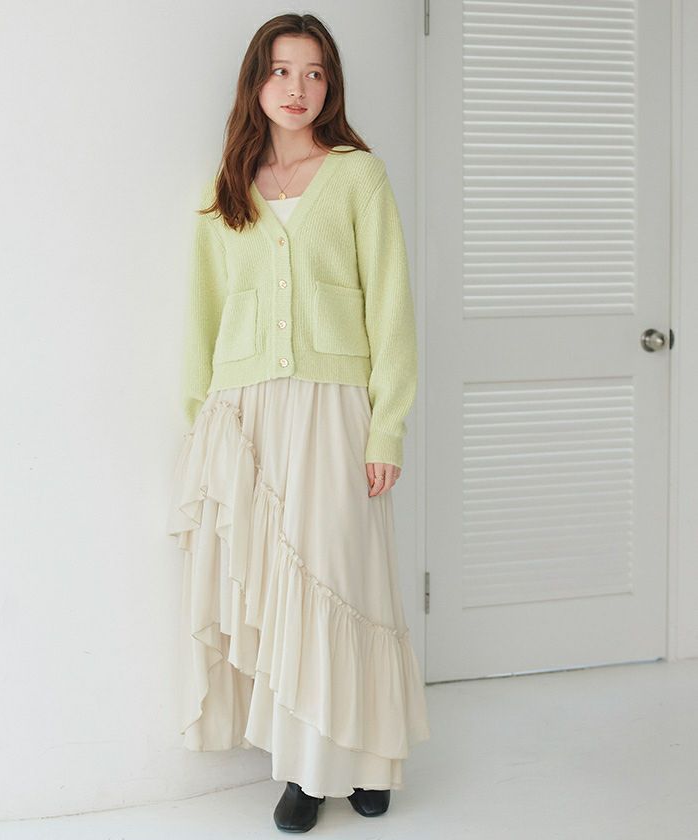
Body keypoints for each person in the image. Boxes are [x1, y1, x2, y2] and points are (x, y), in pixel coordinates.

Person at [166, 11, 430, 833]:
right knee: (280, 595)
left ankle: (368, 757)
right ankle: (303, 772)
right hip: (245, 418)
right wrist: (200, 431)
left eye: (314, 72)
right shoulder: (224, 189)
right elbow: (202, 319)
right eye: (281, 71)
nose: (298, 88)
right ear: (256, 82)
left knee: (345, 582)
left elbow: (392, 311)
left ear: (331, 86)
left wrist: (387, 429)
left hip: (335, 406)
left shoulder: (358, 176)